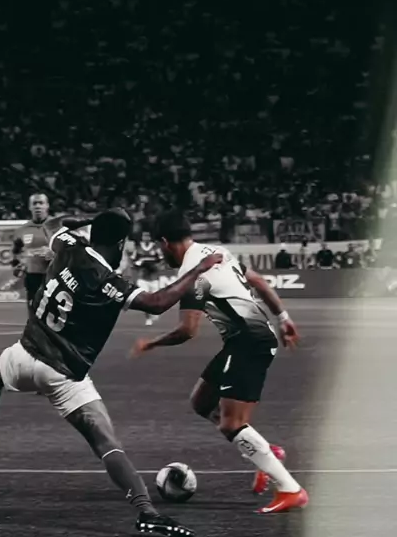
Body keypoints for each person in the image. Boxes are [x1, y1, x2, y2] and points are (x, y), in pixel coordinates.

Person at [0, 209, 222, 537]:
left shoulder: (68, 245)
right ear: (120, 244)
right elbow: (158, 302)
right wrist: (199, 269)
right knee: (106, 443)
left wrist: (87, 218)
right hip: (64, 375)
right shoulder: (108, 281)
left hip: (25, 354)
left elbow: (52, 225)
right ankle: (147, 512)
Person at [130, 211, 308, 514]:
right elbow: (257, 281)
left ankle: (290, 489)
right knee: (202, 401)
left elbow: (188, 330)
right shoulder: (216, 252)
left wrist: (151, 343)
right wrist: (283, 317)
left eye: (159, 247)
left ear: (165, 242)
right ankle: (265, 452)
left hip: (249, 344)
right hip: (244, 341)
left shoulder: (193, 274)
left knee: (231, 424)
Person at [12, 194, 52, 309]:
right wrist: (17, 264)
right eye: (34, 204)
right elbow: (15, 252)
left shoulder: (57, 227)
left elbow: (69, 250)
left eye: (41, 203)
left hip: (54, 276)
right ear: (30, 207)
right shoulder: (22, 230)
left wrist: (53, 253)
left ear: (47, 206)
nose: (38, 206)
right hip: (33, 276)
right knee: (34, 310)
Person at [131, 229, 164, 326]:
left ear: (150, 237)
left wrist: (157, 267)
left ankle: (154, 314)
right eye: (144, 236)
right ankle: (148, 318)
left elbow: (162, 260)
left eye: (147, 236)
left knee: (155, 299)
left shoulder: (155, 247)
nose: (146, 238)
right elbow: (132, 261)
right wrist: (138, 264)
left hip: (153, 278)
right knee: (145, 300)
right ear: (142, 238)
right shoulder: (138, 248)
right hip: (142, 278)